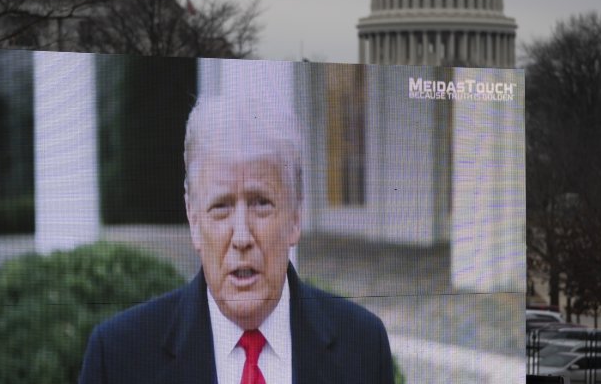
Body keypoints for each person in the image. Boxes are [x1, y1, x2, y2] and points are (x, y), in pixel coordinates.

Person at [79, 95, 395, 384]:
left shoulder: (363, 345)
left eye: (261, 203)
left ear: (296, 215)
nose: (242, 237)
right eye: (221, 206)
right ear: (194, 219)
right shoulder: (120, 358)